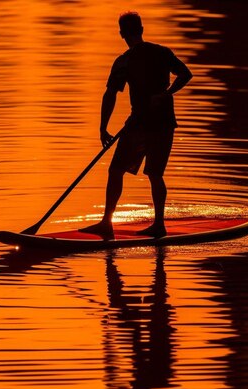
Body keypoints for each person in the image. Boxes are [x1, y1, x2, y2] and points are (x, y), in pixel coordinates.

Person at [80, 11, 192, 238]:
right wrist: (167, 93)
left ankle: (108, 223)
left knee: (117, 171)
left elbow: (110, 95)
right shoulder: (161, 53)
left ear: (122, 34)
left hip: (150, 124)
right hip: (151, 123)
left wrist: (103, 128)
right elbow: (185, 75)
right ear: (141, 30)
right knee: (154, 174)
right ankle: (154, 224)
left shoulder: (124, 61)